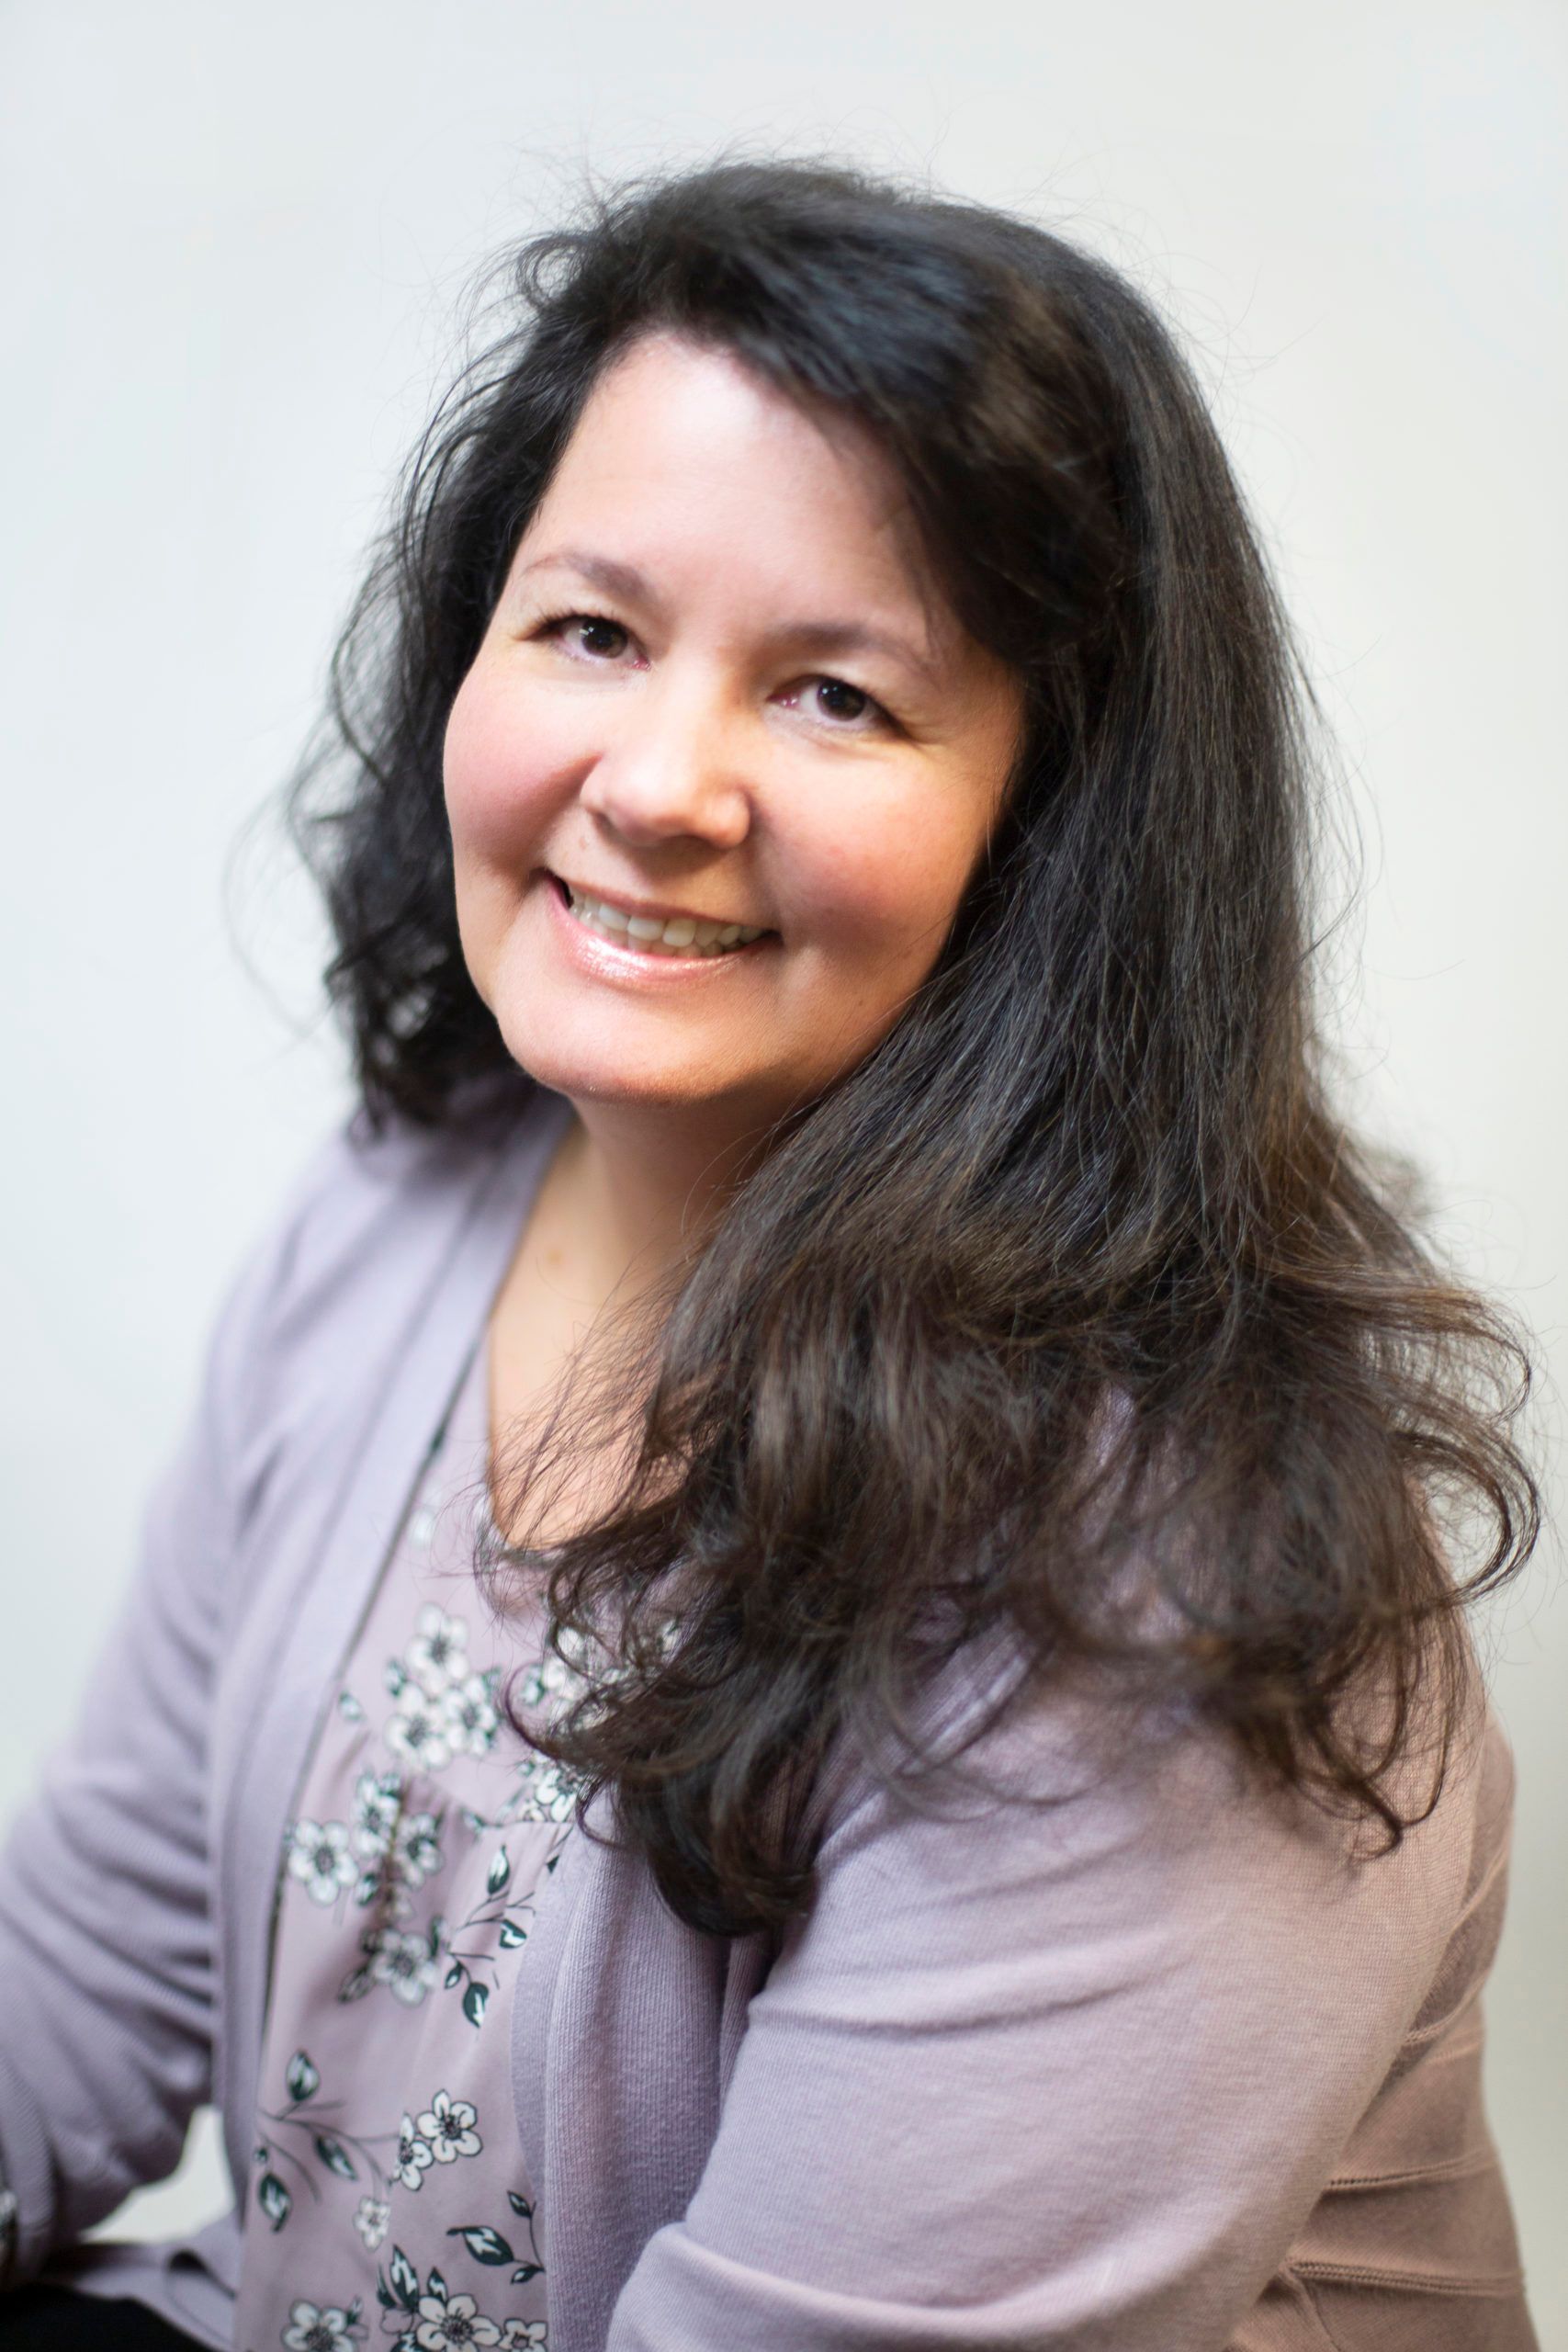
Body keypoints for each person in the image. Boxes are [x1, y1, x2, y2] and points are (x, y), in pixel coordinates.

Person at [0, 155, 1543, 2352]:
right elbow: (104, 1953)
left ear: (1049, 822)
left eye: (836, 694)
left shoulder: (1173, 1583)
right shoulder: (401, 1207)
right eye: (591, 631)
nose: (660, 779)